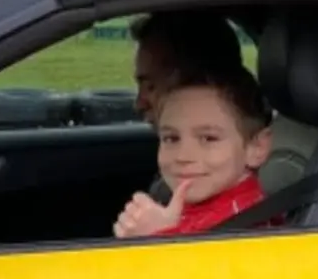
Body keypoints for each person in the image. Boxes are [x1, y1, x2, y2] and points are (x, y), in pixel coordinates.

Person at [129, 11, 318, 204]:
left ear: (195, 82)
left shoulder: (246, 203)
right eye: (171, 139)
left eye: (150, 87)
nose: (138, 104)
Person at [113, 64, 277, 238]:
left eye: (208, 138)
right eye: (171, 138)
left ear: (256, 148)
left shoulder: (248, 225)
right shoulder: (199, 207)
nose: (183, 156)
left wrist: (157, 236)